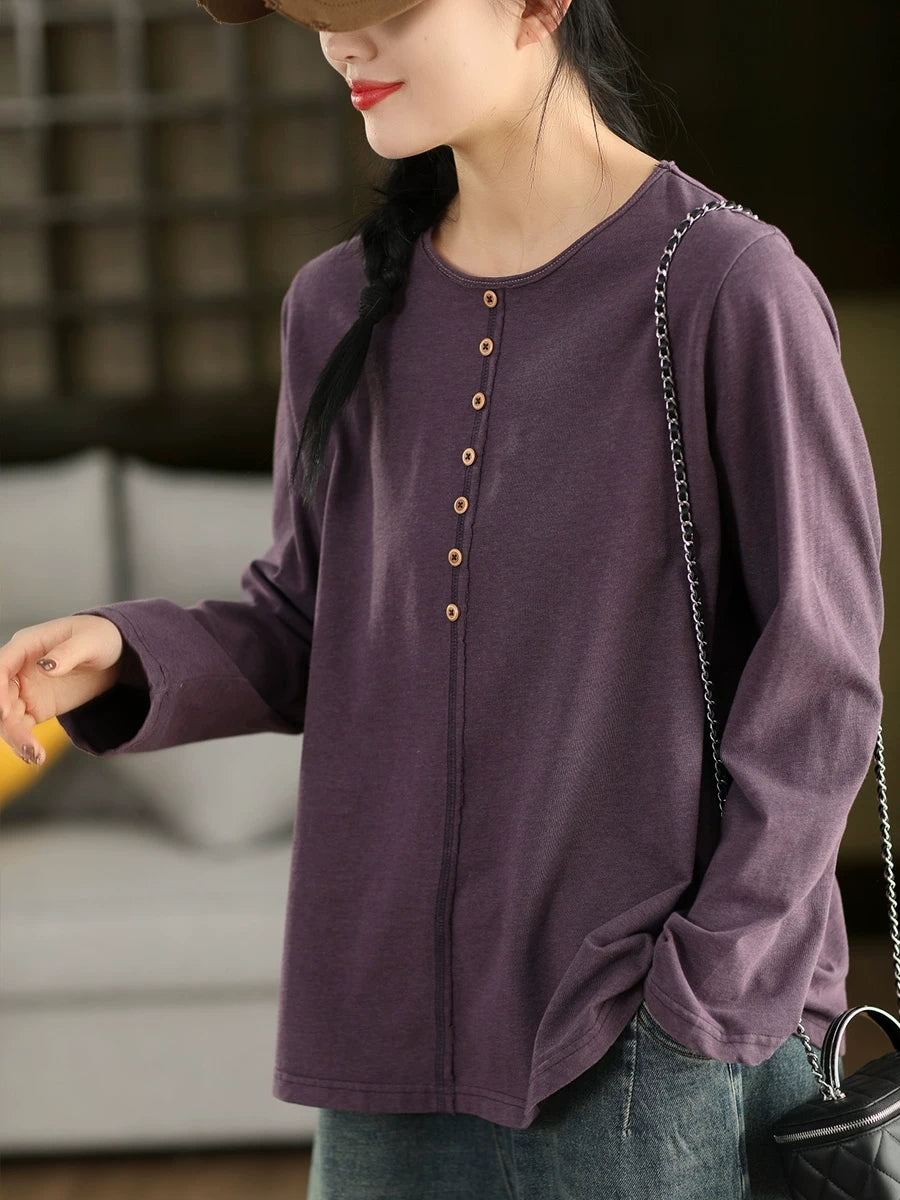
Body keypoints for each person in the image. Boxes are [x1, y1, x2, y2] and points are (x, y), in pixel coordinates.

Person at [0, 0, 884, 1196]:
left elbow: (820, 677)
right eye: (318, 15)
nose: (341, 44)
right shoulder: (338, 306)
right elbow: (308, 624)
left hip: (650, 1042)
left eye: (385, 8)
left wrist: (704, 990)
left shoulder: (726, 285)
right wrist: (123, 649)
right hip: (387, 1043)